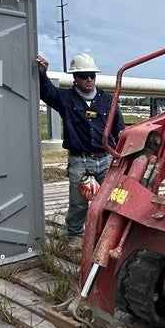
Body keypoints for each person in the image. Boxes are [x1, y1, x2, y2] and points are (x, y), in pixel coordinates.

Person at [36, 52, 125, 243]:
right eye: (84, 76)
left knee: (111, 199)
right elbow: (46, 92)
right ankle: (74, 236)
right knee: (78, 203)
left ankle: (107, 235)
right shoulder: (65, 99)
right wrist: (42, 74)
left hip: (106, 159)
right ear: (75, 78)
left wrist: (121, 153)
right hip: (79, 160)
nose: (89, 79)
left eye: (92, 75)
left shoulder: (108, 101)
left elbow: (119, 129)